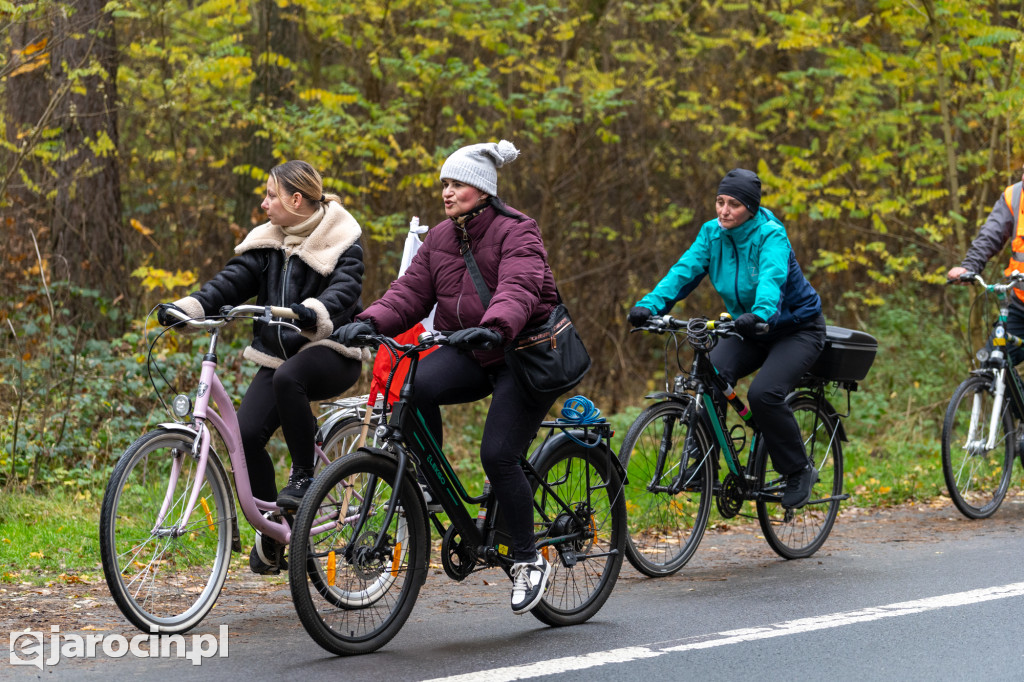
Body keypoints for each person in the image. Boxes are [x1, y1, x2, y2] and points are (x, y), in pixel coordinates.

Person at [332, 140, 559, 615]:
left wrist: (495, 325)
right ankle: (430, 484)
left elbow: (519, 287)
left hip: (522, 353)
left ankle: (527, 558)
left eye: (456, 184)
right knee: (411, 389)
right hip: (473, 349)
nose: (446, 193)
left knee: (498, 454)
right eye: (444, 184)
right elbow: (408, 294)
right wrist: (368, 322)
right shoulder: (439, 238)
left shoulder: (518, 230)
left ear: (482, 189)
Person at [156, 160, 367, 573]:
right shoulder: (269, 242)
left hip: (333, 350)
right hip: (280, 357)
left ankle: (304, 477)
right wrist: (189, 308)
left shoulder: (342, 238)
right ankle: (275, 525)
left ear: (296, 199)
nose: (264, 203)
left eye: (271, 195)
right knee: (246, 435)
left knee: (290, 377)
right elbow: (230, 282)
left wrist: (313, 311)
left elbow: (346, 288)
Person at [627, 168, 825, 509]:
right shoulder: (711, 234)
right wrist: (650, 306)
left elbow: (772, 278)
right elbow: (682, 273)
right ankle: (703, 465)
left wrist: (760, 314)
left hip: (795, 329)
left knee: (764, 394)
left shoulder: (771, 235)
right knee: (709, 378)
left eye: (734, 204)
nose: (724, 210)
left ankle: (799, 470)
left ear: (751, 208)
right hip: (747, 327)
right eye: (720, 201)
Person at [947, 172, 1024, 364]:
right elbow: (990, 235)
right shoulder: (1014, 196)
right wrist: (969, 266)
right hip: (1020, 306)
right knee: (991, 363)